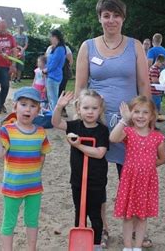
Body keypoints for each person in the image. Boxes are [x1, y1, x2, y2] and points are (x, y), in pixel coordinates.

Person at [74, 0, 151, 248]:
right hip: (96, 125)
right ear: (99, 18)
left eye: (116, 15)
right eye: (106, 15)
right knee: (97, 181)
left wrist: (148, 119)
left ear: (123, 18)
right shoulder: (88, 46)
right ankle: (102, 228)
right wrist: (77, 122)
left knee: (132, 178)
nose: (111, 20)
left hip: (130, 124)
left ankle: (136, 232)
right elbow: (80, 87)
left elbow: (143, 84)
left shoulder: (135, 46)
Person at [0, 87, 51, 251]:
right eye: (24, 104)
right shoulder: (8, 131)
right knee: (9, 222)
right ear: (15, 107)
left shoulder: (41, 132)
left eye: (33, 106)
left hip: (34, 187)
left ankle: (31, 248)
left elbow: (43, 153)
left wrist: (37, 172)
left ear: (38, 111)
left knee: (32, 221)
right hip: (13, 187)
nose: (28, 109)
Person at [52, 90, 109, 250]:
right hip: (77, 179)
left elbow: (99, 153)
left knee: (95, 213)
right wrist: (59, 107)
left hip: (96, 180)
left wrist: (78, 145)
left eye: (94, 108)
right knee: (80, 211)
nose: (90, 112)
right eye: (86, 108)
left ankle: (96, 244)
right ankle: (80, 244)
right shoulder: (74, 126)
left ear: (100, 110)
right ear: (79, 109)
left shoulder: (102, 130)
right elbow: (56, 123)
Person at [109, 96, 165, 251]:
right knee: (128, 216)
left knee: (142, 216)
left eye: (145, 112)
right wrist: (124, 120)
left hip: (147, 182)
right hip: (130, 181)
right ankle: (127, 247)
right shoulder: (128, 132)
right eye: (136, 112)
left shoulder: (157, 137)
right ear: (131, 114)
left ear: (152, 116)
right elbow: (113, 138)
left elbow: (162, 159)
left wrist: (146, 167)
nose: (140, 116)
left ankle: (138, 247)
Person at [0, 20, 17, 115]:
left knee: (5, 86)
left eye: (4, 28)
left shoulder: (10, 37)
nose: (3, 30)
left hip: (6, 65)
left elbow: (14, 51)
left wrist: (14, 64)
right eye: (1, 28)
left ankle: (0, 104)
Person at [44, 29, 67, 111]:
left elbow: (54, 63)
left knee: (53, 98)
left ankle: (54, 116)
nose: (50, 38)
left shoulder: (60, 49)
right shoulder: (56, 48)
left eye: (51, 36)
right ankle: (52, 115)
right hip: (52, 75)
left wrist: (46, 70)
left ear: (55, 37)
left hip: (54, 76)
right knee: (51, 98)